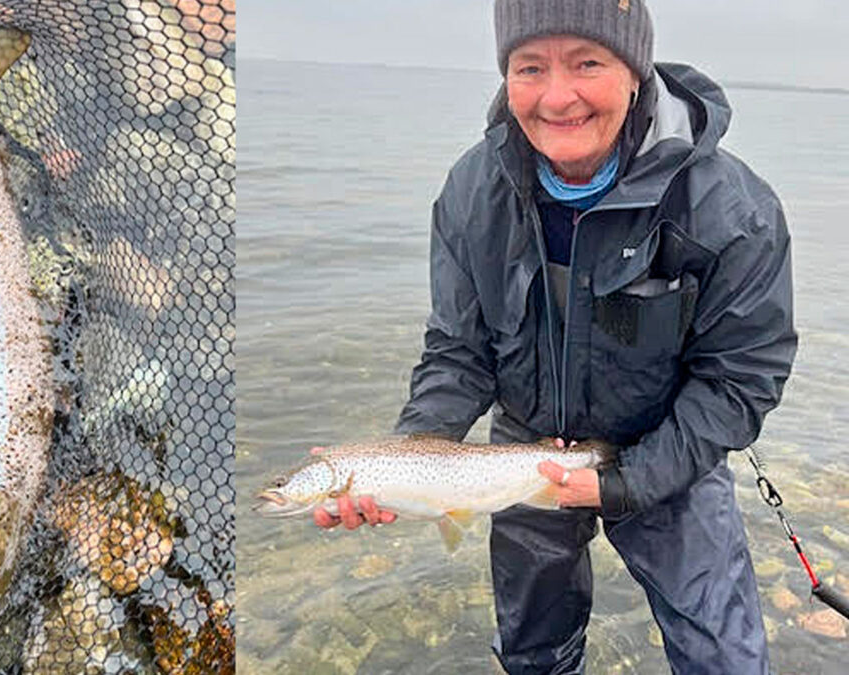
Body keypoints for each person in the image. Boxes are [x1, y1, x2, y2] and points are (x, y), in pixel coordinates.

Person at [314, 0, 796, 672]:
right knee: (533, 655)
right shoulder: (470, 192)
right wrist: (404, 457)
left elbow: (740, 381)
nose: (556, 96)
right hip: (521, 456)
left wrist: (627, 480)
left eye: (587, 62)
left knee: (725, 658)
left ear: (634, 71)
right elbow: (458, 352)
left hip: (666, 452)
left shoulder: (732, 210)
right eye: (529, 66)